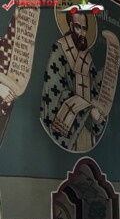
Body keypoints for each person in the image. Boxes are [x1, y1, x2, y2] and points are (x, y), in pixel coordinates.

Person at [40, 11, 107, 151]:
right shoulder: (59, 49)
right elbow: (54, 89)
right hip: (68, 125)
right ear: (71, 26)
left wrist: (109, 69)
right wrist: (89, 108)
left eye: (84, 28)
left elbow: (95, 87)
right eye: (78, 27)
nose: (82, 33)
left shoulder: (86, 57)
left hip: (84, 127)